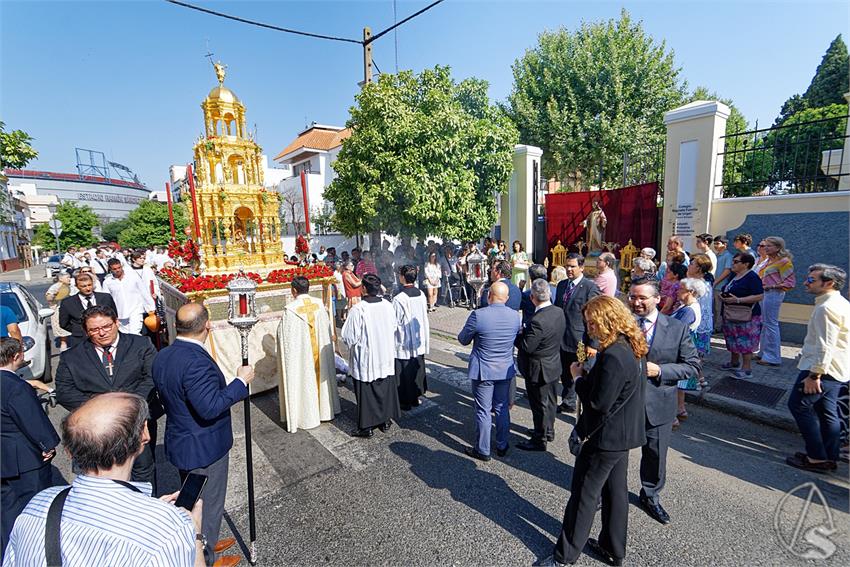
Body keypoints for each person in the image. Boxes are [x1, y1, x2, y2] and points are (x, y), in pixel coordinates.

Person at [3, 392, 205, 567]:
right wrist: (193, 534)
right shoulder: (168, 528)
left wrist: (149, 513)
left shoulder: (39, 505)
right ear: (144, 433)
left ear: (70, 452)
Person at [544, 295, 647, 567]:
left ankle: (564, 557)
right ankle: (613, 548)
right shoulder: (631, 345)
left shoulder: (613, 354)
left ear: (607, 321)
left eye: (592, 323)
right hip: (622, 434)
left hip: (604, 436)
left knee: (584, 495)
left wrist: (578, 377)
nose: (589, 329)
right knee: (615, 493)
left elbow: (598, 403)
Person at [152, 303, 254, 564]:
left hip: (182, 439)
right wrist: (240, 382)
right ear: (207, 325)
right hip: (205, 446)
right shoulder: (195, 362)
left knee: (192, 498)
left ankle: (207, 540)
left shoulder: (164, 354)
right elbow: (210, 407)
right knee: (207, 504)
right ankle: (205, 555)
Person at [55, 305, 158, 486]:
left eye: (107, 326)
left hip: (134, 422)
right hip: (97, 430)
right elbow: (64, 391)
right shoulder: (72, 357)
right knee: (102, 478)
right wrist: (102, 408)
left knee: (143, 472)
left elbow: (152, 378)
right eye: (94, 329)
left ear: (116, 322)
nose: (102, 333)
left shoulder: (140, 345)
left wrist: (128, 408)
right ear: (86, 332)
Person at [628, 277, 700, 525]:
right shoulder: (621, 324)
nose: (636, 303)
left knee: (655, 455)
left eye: (642, 298)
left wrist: (660, 371)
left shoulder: (677, 328)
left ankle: (650, 496)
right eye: (632, 297)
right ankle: (608, 492)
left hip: (658, 404)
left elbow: (691, 366)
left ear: (658, 299)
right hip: (623, 403)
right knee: (613, 454)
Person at [786, 264, 850, 472]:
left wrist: (815, 375)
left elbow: (826, 344)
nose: (806, 283)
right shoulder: (839, 302)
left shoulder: (827, 308)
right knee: (826, 411)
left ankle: (816, 457)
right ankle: (829, 456)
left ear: (829, 283)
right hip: (834, 368)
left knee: (798, 405)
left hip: (822, 370)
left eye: (812, 280)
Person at [1, 338, 60, 559]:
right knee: (34, 509)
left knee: (6, 513)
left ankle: (9, 556)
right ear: (16, 356)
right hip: (24, 459)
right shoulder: (16, 387)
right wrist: (48, 445)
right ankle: (33, 557)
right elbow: (32, 420)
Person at [457, 281, 521, 461]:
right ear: (507, 298)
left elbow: (463, 339)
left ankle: (483, 449)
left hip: (484, 369)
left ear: (488, 295)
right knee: (501, 407)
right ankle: (502, 444)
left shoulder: (478, 315)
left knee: (483, 410)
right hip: (504, 368)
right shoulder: (516, 317)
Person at [276, 276, 340, 433]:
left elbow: (284, 338)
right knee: (321, 373)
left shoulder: (290, 310)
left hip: (303, 357)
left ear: (294, 290)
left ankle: (307, 415)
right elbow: (326, 330)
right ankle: (325, 410)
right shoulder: (319, 304)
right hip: (319, 355)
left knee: (304, 379)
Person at [342, 274, 401, 438]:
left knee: (367, 391)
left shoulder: (358, 309)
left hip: (367, 356)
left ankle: (366, 427)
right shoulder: (388, 305)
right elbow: (394, 327)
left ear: (364, 289)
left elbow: (348, 336)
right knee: (383, 387)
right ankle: (385, 420)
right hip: (385, 353)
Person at [515, 279, 565, 451]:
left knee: (539, 405)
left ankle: (539, 438)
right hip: (553, 363)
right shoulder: (558, 311)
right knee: (550, 401)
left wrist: (519, 335)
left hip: (538, 368)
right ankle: (548, 430)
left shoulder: (538, 320)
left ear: (533, 298)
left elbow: (527, 346)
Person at [553, 253, 601, 413]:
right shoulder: (561, 285)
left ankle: (582, 407)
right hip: (562, 338)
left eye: (572, 266)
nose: (569, 269)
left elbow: (594, 318)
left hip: (580, 340)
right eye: (567, 266)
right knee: (565, 373)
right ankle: (568, 402)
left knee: (580, 371)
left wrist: (593, 344)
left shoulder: (590, 287)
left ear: (582, 267)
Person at [719, 253, 765, 380]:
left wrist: (738, 300)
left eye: (736, 261)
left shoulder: (752, 277)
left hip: (746, 315)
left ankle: (747, 369)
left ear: (746, 264)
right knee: (732, 338)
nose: (733, 263)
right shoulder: (735, 275)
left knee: (746, 342)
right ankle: (734, 362)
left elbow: (760, 296)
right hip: (730, 313)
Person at [671, 277, 708, 425]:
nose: (677, 291)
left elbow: (675, 329)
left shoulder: (688, 311)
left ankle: (672, 417)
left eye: (681, 289)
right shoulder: (687, 306)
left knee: (673, 381)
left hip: (680, 346)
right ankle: (681, 410)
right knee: (680, 384)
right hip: (684, 345)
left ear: (691, 292)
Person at [393, 265, 430, 411]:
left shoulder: (399, 298)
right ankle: (416, 397)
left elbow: (395, 321)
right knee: (417, 366)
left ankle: (405, 401)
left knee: (404, 371)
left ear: (402, 277)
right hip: (418, 336)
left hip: (405, 339)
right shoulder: (421, 294)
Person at [756, 236, 796, 367]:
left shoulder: (785, 262)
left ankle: (773, 357)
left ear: (778, 248)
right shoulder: (768, 261)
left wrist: (771, 286)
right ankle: (763, 353)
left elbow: (790, 283)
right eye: (765, 245)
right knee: (764, 323)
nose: (765, 248)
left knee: (771, 324)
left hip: (773, 294)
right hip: (764, 293)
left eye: (769, 246)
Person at [59, 272, 117, 348]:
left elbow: (114, 316)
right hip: (81, 339)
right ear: (77, 286)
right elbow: (64, 323)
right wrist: (79, 330)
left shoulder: (105, 298)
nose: (88, 288)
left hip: (105, 337)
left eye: (89, 285)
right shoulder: (67, 303)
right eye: (83, 286)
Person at [104, 259, 155, 335]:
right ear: (110, 269)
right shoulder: (107, 282)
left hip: (136, 309)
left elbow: (143, 292)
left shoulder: (133, 277)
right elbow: (106, 298)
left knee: (135, 333)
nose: (117, 270)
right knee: (125, 335)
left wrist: (151, 307)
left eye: (119, 267)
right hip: (120, 313)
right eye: (114, 269)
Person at [712, 235, 735, 332]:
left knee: (719, 308)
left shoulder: (728, 256)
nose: (715, 246)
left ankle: (718, 327)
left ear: (725, 245)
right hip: (714, 285)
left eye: (718, 243)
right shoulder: (716, 255)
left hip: (721, 286)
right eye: (715, 243)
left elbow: (727, 271)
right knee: (714, 308)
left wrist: (716, 281)